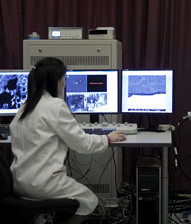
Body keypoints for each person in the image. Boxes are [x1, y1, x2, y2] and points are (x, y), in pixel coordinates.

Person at [9, 57, 126, 224]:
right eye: (64, 78)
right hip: (40, 184)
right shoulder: (56, 106)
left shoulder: (25, 106)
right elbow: (83, 144)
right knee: (90, 202)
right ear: (55, 80)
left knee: (71, 192)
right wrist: (107, 138)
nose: (65, 82)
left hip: (19, 182)